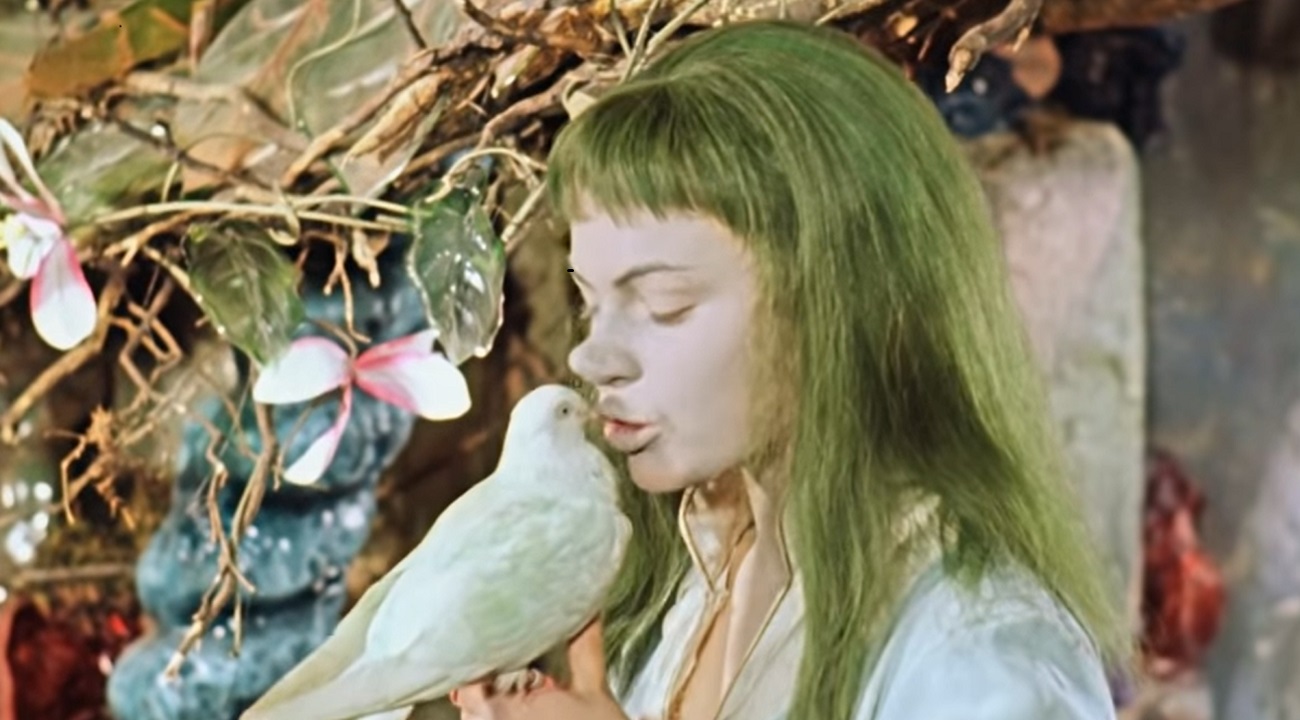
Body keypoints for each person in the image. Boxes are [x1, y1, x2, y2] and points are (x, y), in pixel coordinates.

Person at [450, 18, 1132, 720]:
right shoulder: (691, 575)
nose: (591, 357)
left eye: (663, 303)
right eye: (590, 302)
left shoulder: (979, 656)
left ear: (842, 301)